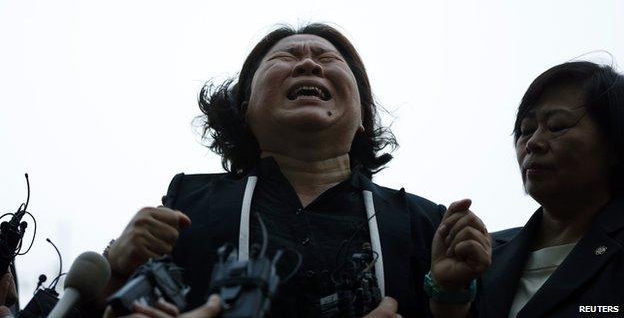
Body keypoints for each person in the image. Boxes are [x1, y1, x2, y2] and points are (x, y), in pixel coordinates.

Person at [102, 23, 491, 317]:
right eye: (284, 58)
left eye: (327, 60)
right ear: (246, 110)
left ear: (361, 118)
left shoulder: (428, 225)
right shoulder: (187, 206)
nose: (307, 63)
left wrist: (451, 295)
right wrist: (116, 272)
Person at [477, 61, 624, 317]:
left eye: (557, 126)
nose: (533, 143)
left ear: (614, 144)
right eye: (525, 130)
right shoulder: (482, 256)